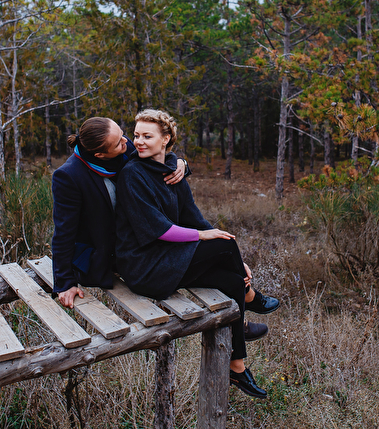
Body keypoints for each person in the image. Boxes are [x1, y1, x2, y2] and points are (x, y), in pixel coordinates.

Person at [114, 109, 279, 399]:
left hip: (169, 258)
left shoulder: (172, 170)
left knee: (231, 276)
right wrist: (207, 237)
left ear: (166, 139)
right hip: (145, 267)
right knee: (223, 242)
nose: (138, 141)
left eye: (147, 136)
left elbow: (193, 217)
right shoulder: (132, 174)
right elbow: (158, 229)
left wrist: (235, 261)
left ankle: (237, 368)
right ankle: (251, 297)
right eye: (136, 135)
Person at [51, 117, 187, 307]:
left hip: (140, 239)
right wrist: (65, 283)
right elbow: (64, 232)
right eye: (118, 143)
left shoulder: (124, 147)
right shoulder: (69, 176)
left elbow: (157, 161)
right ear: (100, 154)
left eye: (122, 134)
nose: (127, 141)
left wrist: (180, 163)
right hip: (106, 254)